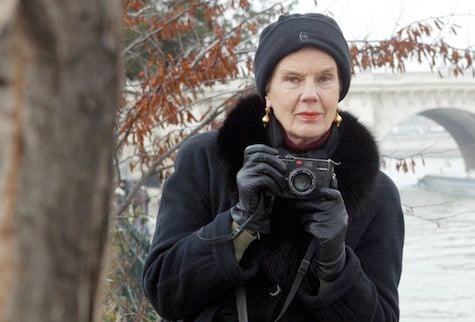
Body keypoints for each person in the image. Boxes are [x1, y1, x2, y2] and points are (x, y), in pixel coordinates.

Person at [143, 13, 405, 322]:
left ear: (339, 90)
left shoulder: (377, 193)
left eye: (324, 78)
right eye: (292, 79)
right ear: (268, 89)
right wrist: (237, 225)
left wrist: (335, 264)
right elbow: (164, 293)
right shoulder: (206, 160)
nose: (310, 95)